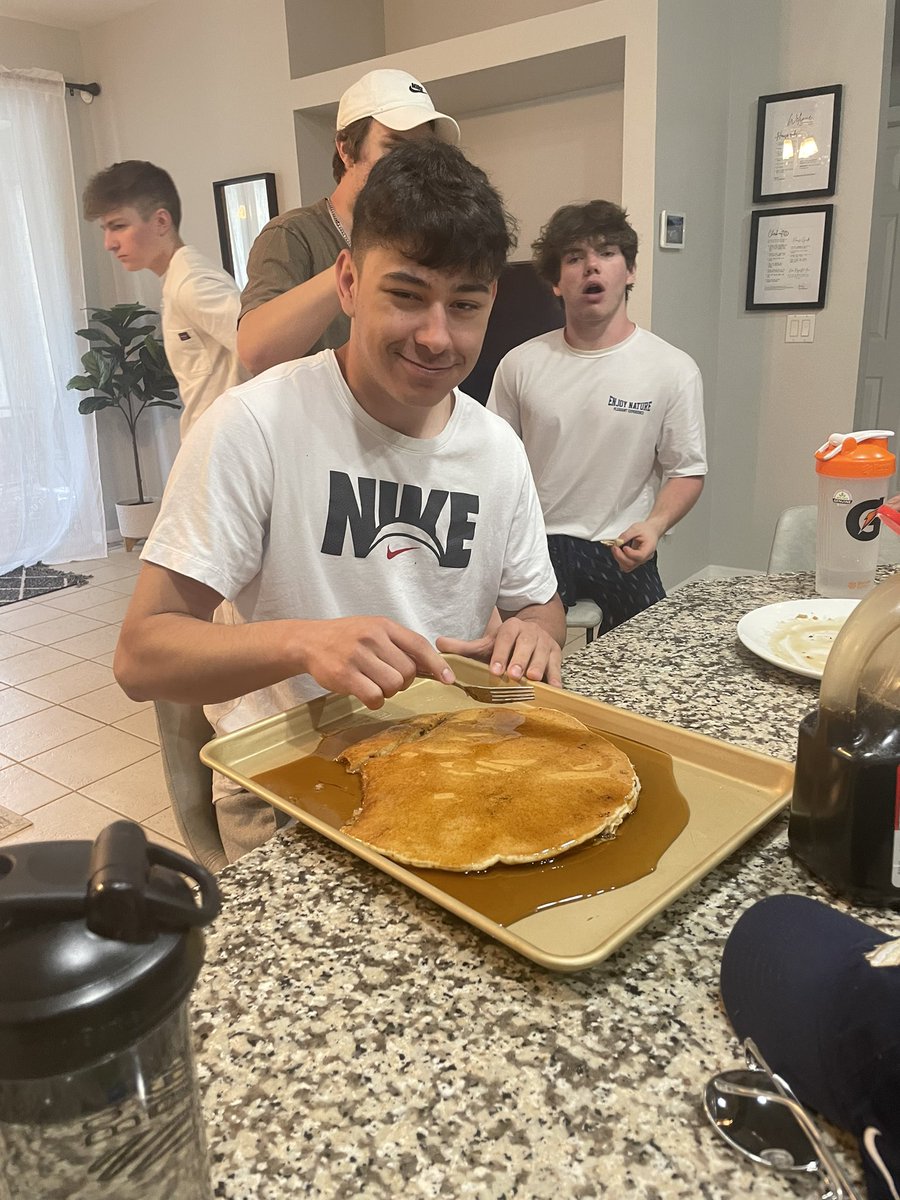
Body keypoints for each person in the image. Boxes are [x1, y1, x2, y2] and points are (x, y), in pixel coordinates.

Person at [114, 140, 566, 863]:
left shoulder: (497, 450)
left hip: (449, 762)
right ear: (350, 282)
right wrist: (303, 641)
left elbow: (537, 605)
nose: (435, 336)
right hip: (285, 788)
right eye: (407, 295)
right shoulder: (256, 425)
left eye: (466, 306)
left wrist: (538, 634)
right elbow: (141, 655)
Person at [488, 199, 707, 635]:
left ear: (629, 271)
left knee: (647, 662)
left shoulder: (672, 369)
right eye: (574, 258)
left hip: (620, 544)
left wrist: (655, 525)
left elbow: (686, 470)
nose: (592, 267)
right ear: (555, 282)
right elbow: (492, 464)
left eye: (606, 253)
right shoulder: (520, 364)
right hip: (537, 542)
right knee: (519, 663)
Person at [236, 69, 459, 375]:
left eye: (420, 151)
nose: (409, 165)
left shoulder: (422, 236)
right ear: (346, 149)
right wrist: (367, 257)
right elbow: (256, 352)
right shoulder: (293, 234)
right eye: (393, 147)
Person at [83, 160, 248, 438]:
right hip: (210, 447)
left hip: (225, 451)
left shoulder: (192, 282)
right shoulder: (177, 279)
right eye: (106, 229)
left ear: (161, 221)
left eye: (119, 226)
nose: (109, 243)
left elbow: (263, 351)